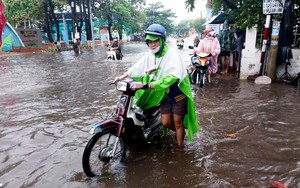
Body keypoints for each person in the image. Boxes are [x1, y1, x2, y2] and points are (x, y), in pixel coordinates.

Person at [113, 24, 199, 147]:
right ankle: (179, 132)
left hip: (178, 93)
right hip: (164, 94)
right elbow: (138, 67)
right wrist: (121, 77)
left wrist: (156, 83)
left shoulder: (171, 54)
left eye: (155, 41)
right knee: (165, 122)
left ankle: (180, 149)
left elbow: (174, 76)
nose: (152, 45)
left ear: (162, 40)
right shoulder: (151, 55)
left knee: (177, 122)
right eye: (149, 42)